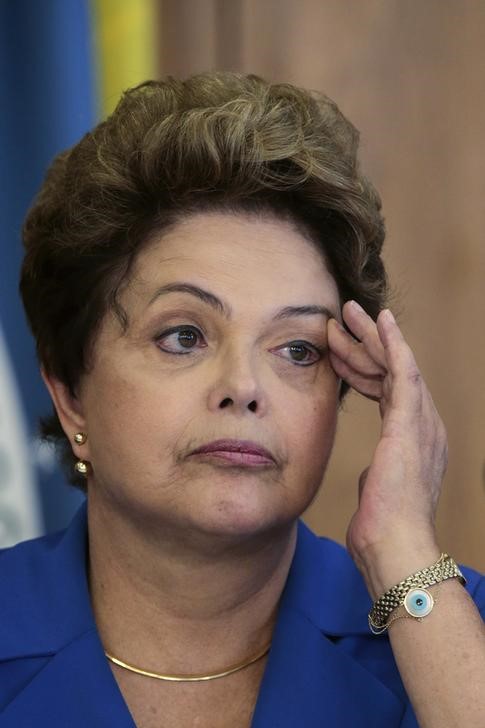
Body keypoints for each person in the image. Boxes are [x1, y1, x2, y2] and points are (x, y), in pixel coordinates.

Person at [1, 72, 483, 728]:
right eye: (183, 336)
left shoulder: (449, 627)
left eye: (296, 350)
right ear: (69, 392)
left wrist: (400, 546)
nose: (245, 388)